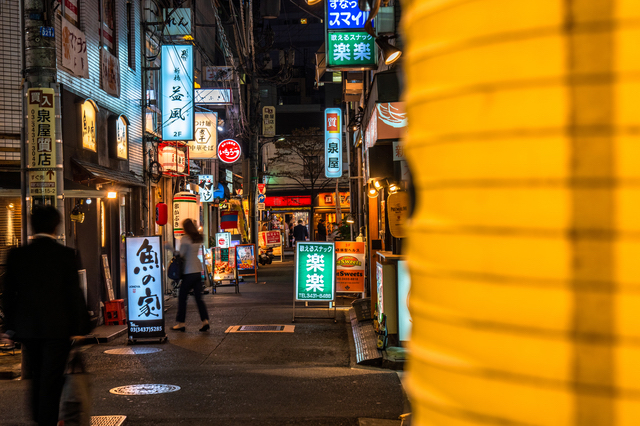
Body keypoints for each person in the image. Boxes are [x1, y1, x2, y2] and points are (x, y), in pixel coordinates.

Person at [2, 205, 91, 426]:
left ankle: (40, 419)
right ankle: (47, 421)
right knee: (52, 379)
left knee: (37, 379)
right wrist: (81, 327)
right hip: (58, 329)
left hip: (28, 329)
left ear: (32, 226)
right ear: (55, 226)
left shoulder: (17, 255)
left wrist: (9, 328)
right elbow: (74, 293)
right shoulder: (65, 255)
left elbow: (8, 294)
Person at [169, 219, 210, 332]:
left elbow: (180, 255)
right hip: (197, 270)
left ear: (185, 228)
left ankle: (181, 323)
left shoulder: (185, 239)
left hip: (188, 271)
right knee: (199, 298)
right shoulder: (197, 238)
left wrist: (169, 248)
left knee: (182, 298)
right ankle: (205, 320)